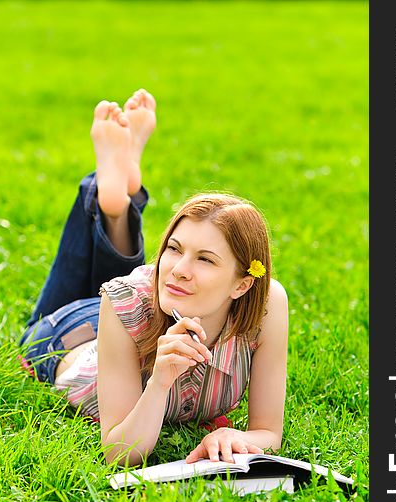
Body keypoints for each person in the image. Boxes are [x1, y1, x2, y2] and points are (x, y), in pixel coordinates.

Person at [19, 89, 288, 468]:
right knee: (121, 292)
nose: (177, 267)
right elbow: (120, 453)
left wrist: (238, 436)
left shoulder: (267, 303)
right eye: (174, 248)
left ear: (242, 284)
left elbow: (267, 431)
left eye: (206, 259)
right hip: (68, 335)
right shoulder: (124, 297)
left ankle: (117, 199)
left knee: (131, 291)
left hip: (133, 312)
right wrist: (160, 380)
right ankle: (109, 199)